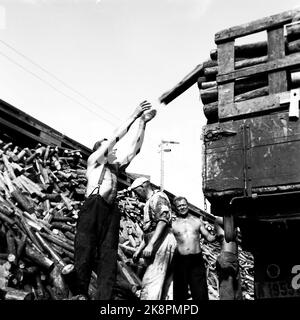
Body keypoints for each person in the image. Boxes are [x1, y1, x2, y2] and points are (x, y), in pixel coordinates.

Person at [73, 101, 156, 300]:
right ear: (100, 150)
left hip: (110, 211)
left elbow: (134, 150)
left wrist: (143, 124)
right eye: (107, 147)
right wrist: (134, 114)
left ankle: (104, 299)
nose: (114, 150)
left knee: (108, 257)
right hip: (94, 206)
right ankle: (77, 295)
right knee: (84, 252)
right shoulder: (94, 161)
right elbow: (115, 137)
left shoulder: (114, 167)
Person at [130, 177, 177, 300]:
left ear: (143, 187)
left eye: (136, 191)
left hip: (163, 240)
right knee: (163, 281)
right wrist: (140, 249)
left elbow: (163, 220)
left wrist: (151, 245)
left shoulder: (158, 197)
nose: (135, 195)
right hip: (158, 240)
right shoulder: (150, 200)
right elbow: (149, 229)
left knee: (152, 280)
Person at [171, 196, 216, 301]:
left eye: (184, 205)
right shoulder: (173, 223)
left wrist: (219, 236)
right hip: (180, 260)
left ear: (188, 205)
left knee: (200, 292)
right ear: (176, 208)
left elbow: (209, 237)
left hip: (196, 260)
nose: (182, 207)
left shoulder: (197, 221)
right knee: (180, 293)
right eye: (179, 206)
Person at [214, 217, 243, 300]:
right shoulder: (220, 220)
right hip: (226, 259)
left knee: (237, 294)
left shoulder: (233, 228)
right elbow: (232, 221)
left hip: (234, 259)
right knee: (227, 295)